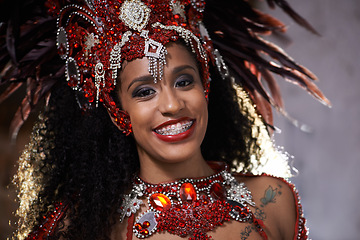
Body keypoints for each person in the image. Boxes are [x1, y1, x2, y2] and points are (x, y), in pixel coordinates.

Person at [0, 0, 330, 239]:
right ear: (117, 111)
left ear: (206, 87)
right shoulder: (89, 225)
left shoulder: (273, 200)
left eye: (184, 81)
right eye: (144, 91)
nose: (172, 105)